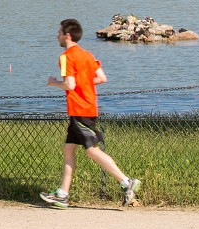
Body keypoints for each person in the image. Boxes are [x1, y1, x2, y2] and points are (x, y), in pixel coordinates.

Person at [40, 19, 140, 208]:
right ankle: (63, 194)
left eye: (59, 32)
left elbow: (69, 84)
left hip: (80, 109)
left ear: (67, 36)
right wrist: (83, 83)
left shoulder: (66, 57)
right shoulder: (87, 55)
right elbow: (101, 78)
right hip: (86, 107)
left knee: (92, 150)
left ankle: (127, 182)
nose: (57, 36)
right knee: (68, 150)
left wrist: (54, 82)